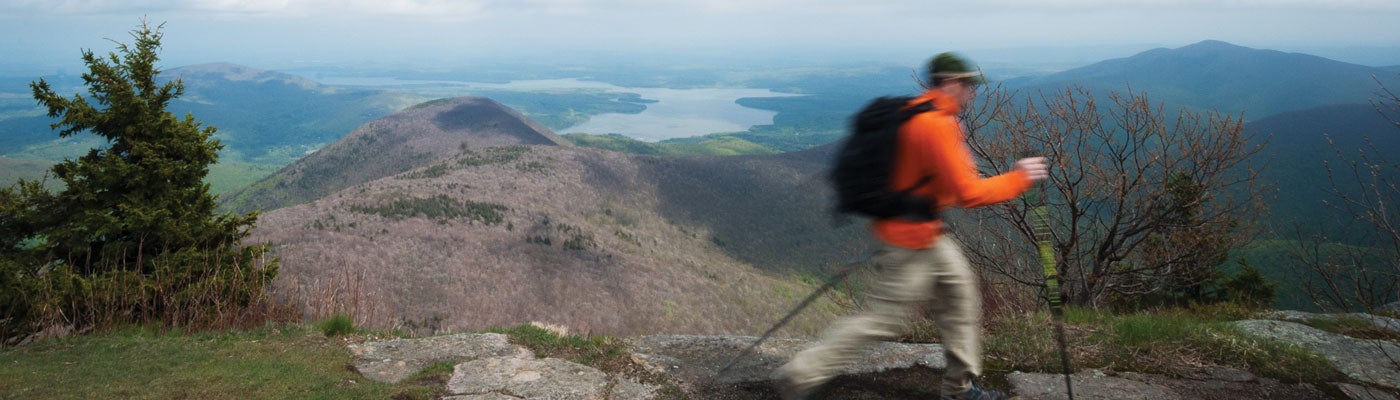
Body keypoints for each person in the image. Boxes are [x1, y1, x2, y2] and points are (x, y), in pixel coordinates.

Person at [776, 52, 1050, 400]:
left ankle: (959, 389)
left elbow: (943, 185)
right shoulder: (934, 124)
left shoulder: (927, 113)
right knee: (885, 320)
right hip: (907, 241)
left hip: (927, 233)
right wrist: (1020, 178)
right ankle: (801, 375)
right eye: (968, 85)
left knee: (961, 296)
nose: (973, 93)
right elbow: (966, 193)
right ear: (950, 82)